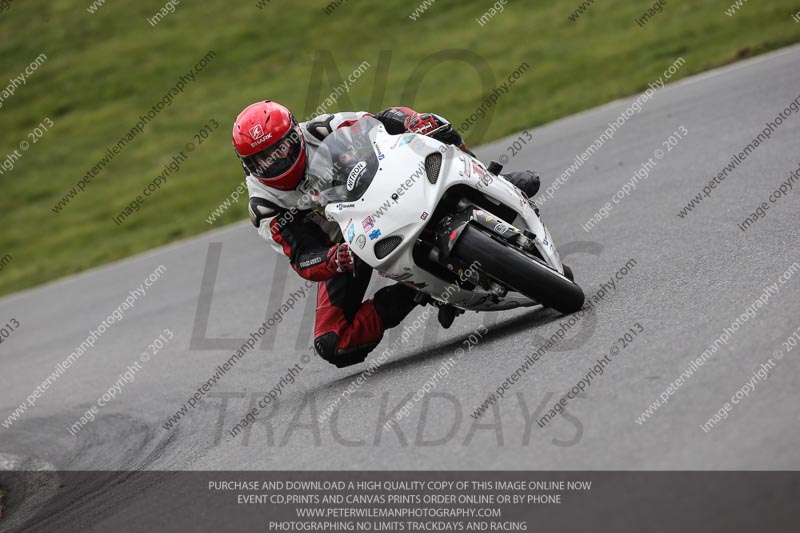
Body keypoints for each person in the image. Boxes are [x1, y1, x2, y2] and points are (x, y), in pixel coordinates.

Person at [232, 101, 540, 368]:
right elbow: (303, 257)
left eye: (280, 148)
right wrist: (334, 258)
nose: (275, 161)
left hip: (383, 188)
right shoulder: (264, 206)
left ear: (295, 134)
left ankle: (491, 182)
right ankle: (418, 290)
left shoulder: (322, 130)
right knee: (333, 341)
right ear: (247, 165)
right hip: (347, 245)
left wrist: (413, 122)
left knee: (425, 124)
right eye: (263, 159)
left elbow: (380, 122)